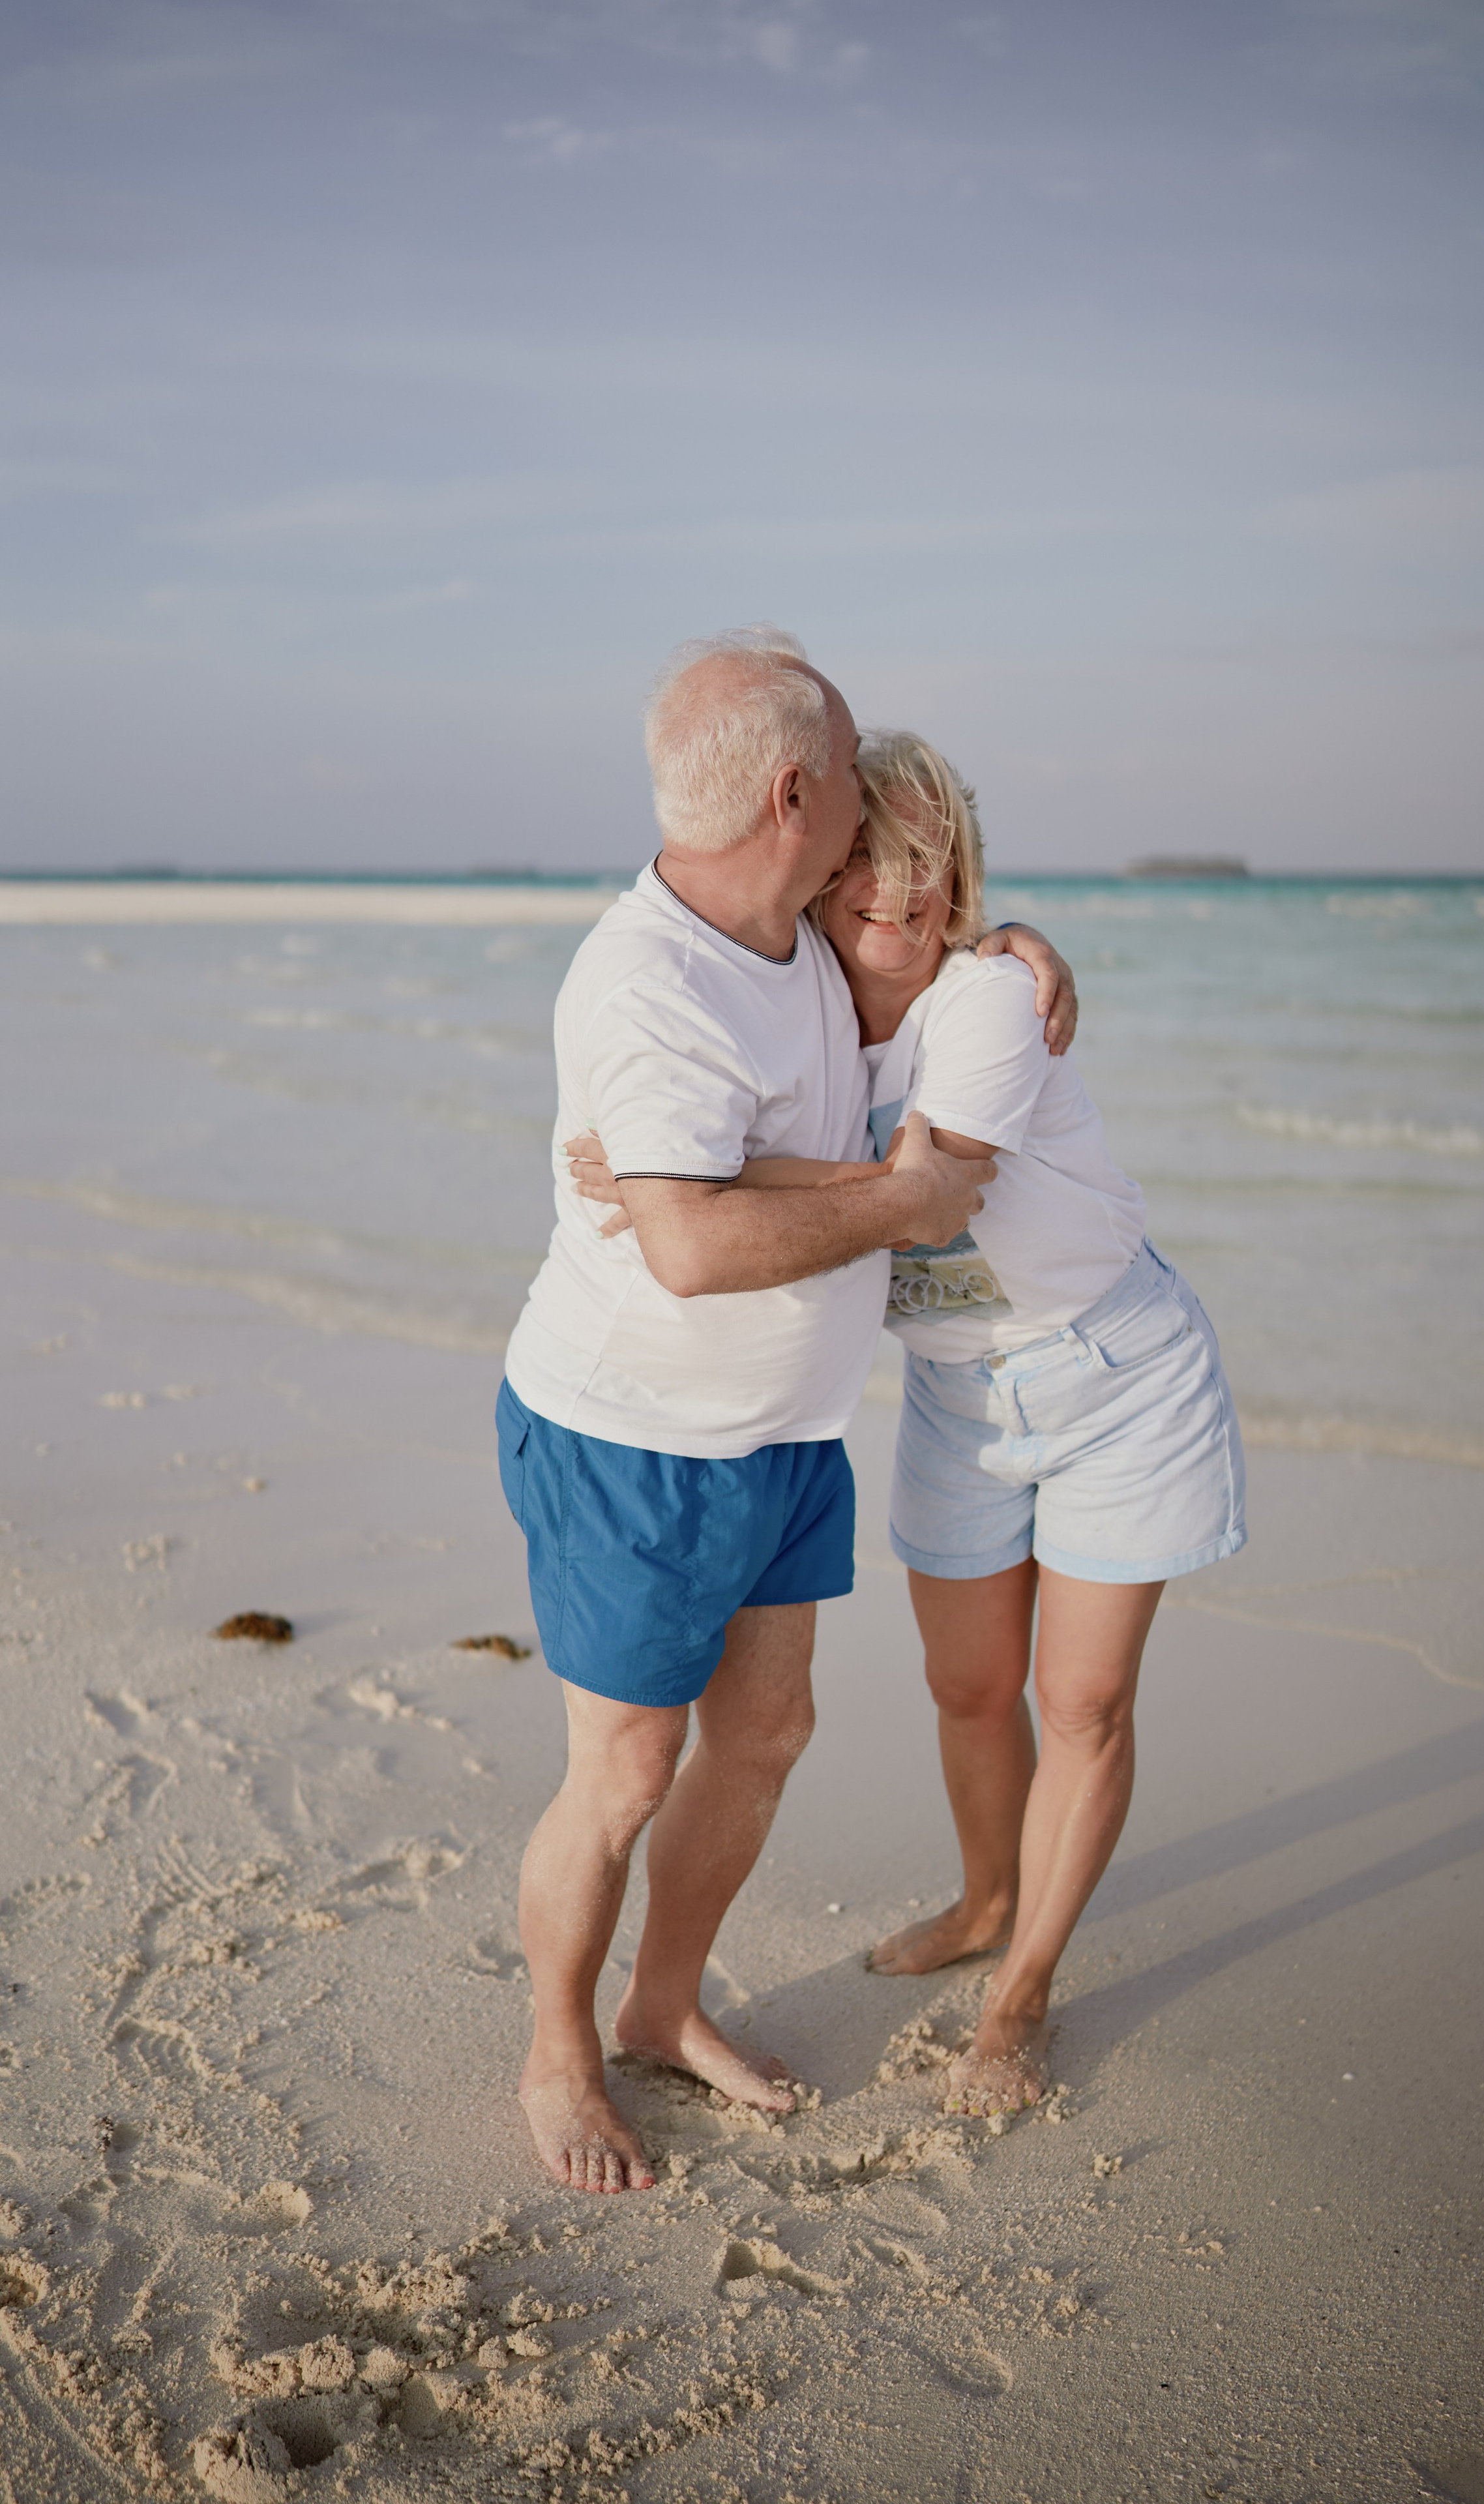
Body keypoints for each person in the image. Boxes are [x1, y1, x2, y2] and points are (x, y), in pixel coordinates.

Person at [572, 730, 1245, 2118]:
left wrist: (677, 1170)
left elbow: (927, 1186)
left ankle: (1019, 1995)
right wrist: (674, 1161)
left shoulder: (989, 1000)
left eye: (933, 880)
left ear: (965, 886)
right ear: (820, 873)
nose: (899, 904)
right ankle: (985, 1896)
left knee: (1080, 1703)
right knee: (962, 1689)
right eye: (869, 871)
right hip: (957, 1395)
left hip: (1113, 1375)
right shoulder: (802, 1000)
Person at [498, 633, 1076, 2192]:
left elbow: (921, 957)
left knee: (762, 1736)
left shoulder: (797, 934)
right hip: (633, 1439)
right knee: (623, 1771)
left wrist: (1016, 944)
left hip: (780, 1437)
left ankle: (659, 2007)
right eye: (843, 772)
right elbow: (685, 1245)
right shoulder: (653, 981)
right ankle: (556, 2051)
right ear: (794, 791)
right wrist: (905, 1205)